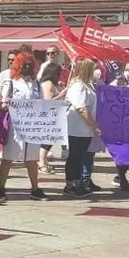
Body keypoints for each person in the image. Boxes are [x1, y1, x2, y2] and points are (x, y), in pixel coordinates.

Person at [0, 53, 46, 203]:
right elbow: (3, 102)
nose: (27, 67)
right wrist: (7, 105)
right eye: (24, 64)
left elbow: (42, 103)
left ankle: (35, 189)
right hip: (14, 126)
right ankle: (1, 188)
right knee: (8, 157)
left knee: (32, 159)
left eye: (29, 64)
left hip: (31, 126)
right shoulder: (11, 82)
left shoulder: (37, 84)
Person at [63, 58, 101, 197]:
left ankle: (77, 182)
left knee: (79, 156)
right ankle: (71, 185)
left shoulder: (87, 84)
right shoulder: (78, 86)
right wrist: (93, 124)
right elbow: (81, 108)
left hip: (84, 129)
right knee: (75, 157)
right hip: (77, 128)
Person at [35, 47, 63, 175]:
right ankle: (41, 162)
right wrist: (63, 93)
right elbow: (49, 100)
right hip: (48, 114)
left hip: (51, 113)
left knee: (49, 140)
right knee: (46, 139)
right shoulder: (48, 83)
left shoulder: (51, 83)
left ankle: (43, 161)